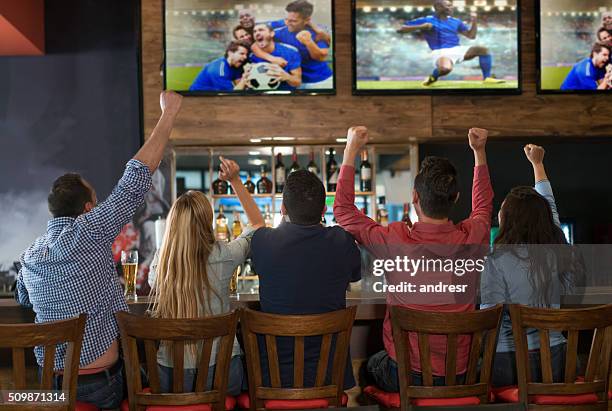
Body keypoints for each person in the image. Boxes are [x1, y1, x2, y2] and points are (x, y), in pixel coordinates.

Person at [15, 90, 183, 409]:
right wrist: (168, 115)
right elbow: (134, 179)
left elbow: (23, 297)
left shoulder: (30, 254)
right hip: (99, 384)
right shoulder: (90, 230)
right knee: (147, 378)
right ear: (90, 208)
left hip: (50, 387)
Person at [334, 126, 493, 392]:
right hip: (461, 375)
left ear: (415, 198)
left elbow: (343, 211)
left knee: (367, 367)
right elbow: (484, 207)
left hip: (406, 375)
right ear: (455, 198)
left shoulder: (394, 239)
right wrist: (479, 152)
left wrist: (351, 149)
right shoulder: (473, 237)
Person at [148, 157, 264, 394]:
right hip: (221, 373)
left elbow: (154, 286)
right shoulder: (225, 254)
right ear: (207, 222)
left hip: (170, 376)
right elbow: (258, 225)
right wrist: (234, 181)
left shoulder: (162, 262)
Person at [250, 170, 361, 389]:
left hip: (272, 380)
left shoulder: (262, 240)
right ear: (324, 210)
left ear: (282, 209)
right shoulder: (342, 241)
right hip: (330, 377)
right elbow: (355, 280)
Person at [480, 145, 576, 387]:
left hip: (508, 366)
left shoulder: (496, 261)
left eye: (502, 210)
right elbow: (549, 211)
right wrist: (537, 164)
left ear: (508, 219)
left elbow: (487, 319)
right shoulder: (556, 252)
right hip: (558, 363)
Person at [397, 0, 504, 86]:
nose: (451, 8)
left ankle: (487, 78)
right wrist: (422, 26)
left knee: (483, 50)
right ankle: (433, 77)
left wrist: (474, 22)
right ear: (438, 7)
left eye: (451, 5)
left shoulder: (456, 21)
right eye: (448, 5)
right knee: (445, 69)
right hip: (440, 52)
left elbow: (471, 36)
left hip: (457, 49)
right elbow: (400, 29)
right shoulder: (426, 19)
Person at [270, 0, 333, 89]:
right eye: (287, 19)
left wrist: (309, 42)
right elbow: (256, 39)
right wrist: (271, 58)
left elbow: (321, 57)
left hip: (320, 81)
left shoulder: (318, 34)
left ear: (307, 20)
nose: (288, 23)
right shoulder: (278, 32)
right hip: (295, 83)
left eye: (294, 21)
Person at [250, 23, 302, 90]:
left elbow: (297, 82)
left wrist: (287, 76)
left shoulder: (290, 52)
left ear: (272, 34)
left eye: (261, 30)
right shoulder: (252, 56)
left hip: (286, 95)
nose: (257, 33)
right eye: (255, 31)